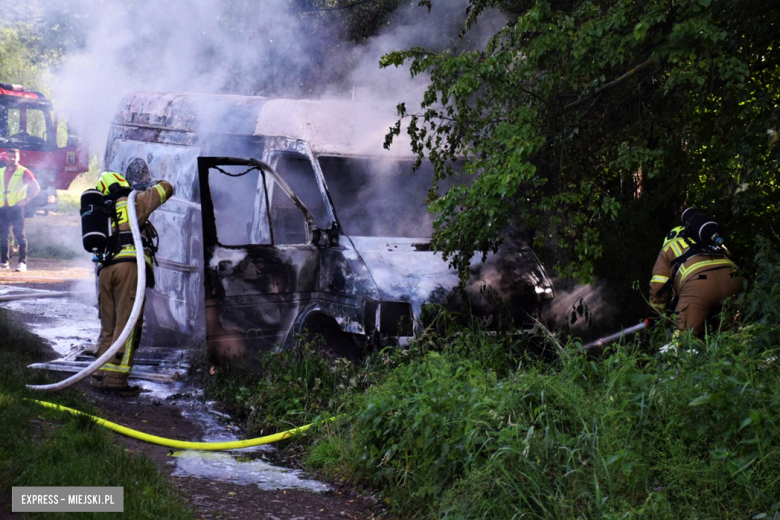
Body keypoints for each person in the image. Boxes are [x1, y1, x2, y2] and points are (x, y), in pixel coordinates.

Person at [90, 171, 174, 396]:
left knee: (108, 327)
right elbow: (167, 187)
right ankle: (116, 382)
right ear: (123, 183)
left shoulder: (100, 212)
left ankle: (99, 376)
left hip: (105, 272)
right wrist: (149, 185)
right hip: (128, 269)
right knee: (127, 325)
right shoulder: (133, 201)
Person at [648, 208, 744, 337]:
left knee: (682, 340)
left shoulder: (671, 246)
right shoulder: (714, 244)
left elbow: (659, 285)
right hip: (733, 281)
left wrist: (656, 315)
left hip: (699, 285)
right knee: (732, 337)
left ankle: (677, 355)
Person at [0, 148, 41, 272]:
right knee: (3, 236)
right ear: (6, 157)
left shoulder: (24, 171)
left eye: (14, 157)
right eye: (10, 156)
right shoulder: (1, 171)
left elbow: (36, 188)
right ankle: (4, 262)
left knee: (19, 235)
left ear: (18, 158)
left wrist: (26, 199)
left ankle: (22, 262)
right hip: (3, 207)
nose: (12, 159)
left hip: (16, 208)